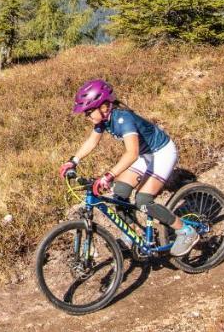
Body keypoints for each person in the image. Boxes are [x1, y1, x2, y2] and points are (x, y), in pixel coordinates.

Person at [60, 79, 199, 257]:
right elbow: (92, 141)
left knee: (143, 200)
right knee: (120, 192)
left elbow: (131, 153)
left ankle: (186, 231)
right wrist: (74, 160)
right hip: (146, 155)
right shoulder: (104, 120)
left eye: (89, 112)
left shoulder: (123, 118)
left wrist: (108, 176)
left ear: (104, 106)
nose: (87, 117)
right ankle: (131, 235)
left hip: (162, 153)